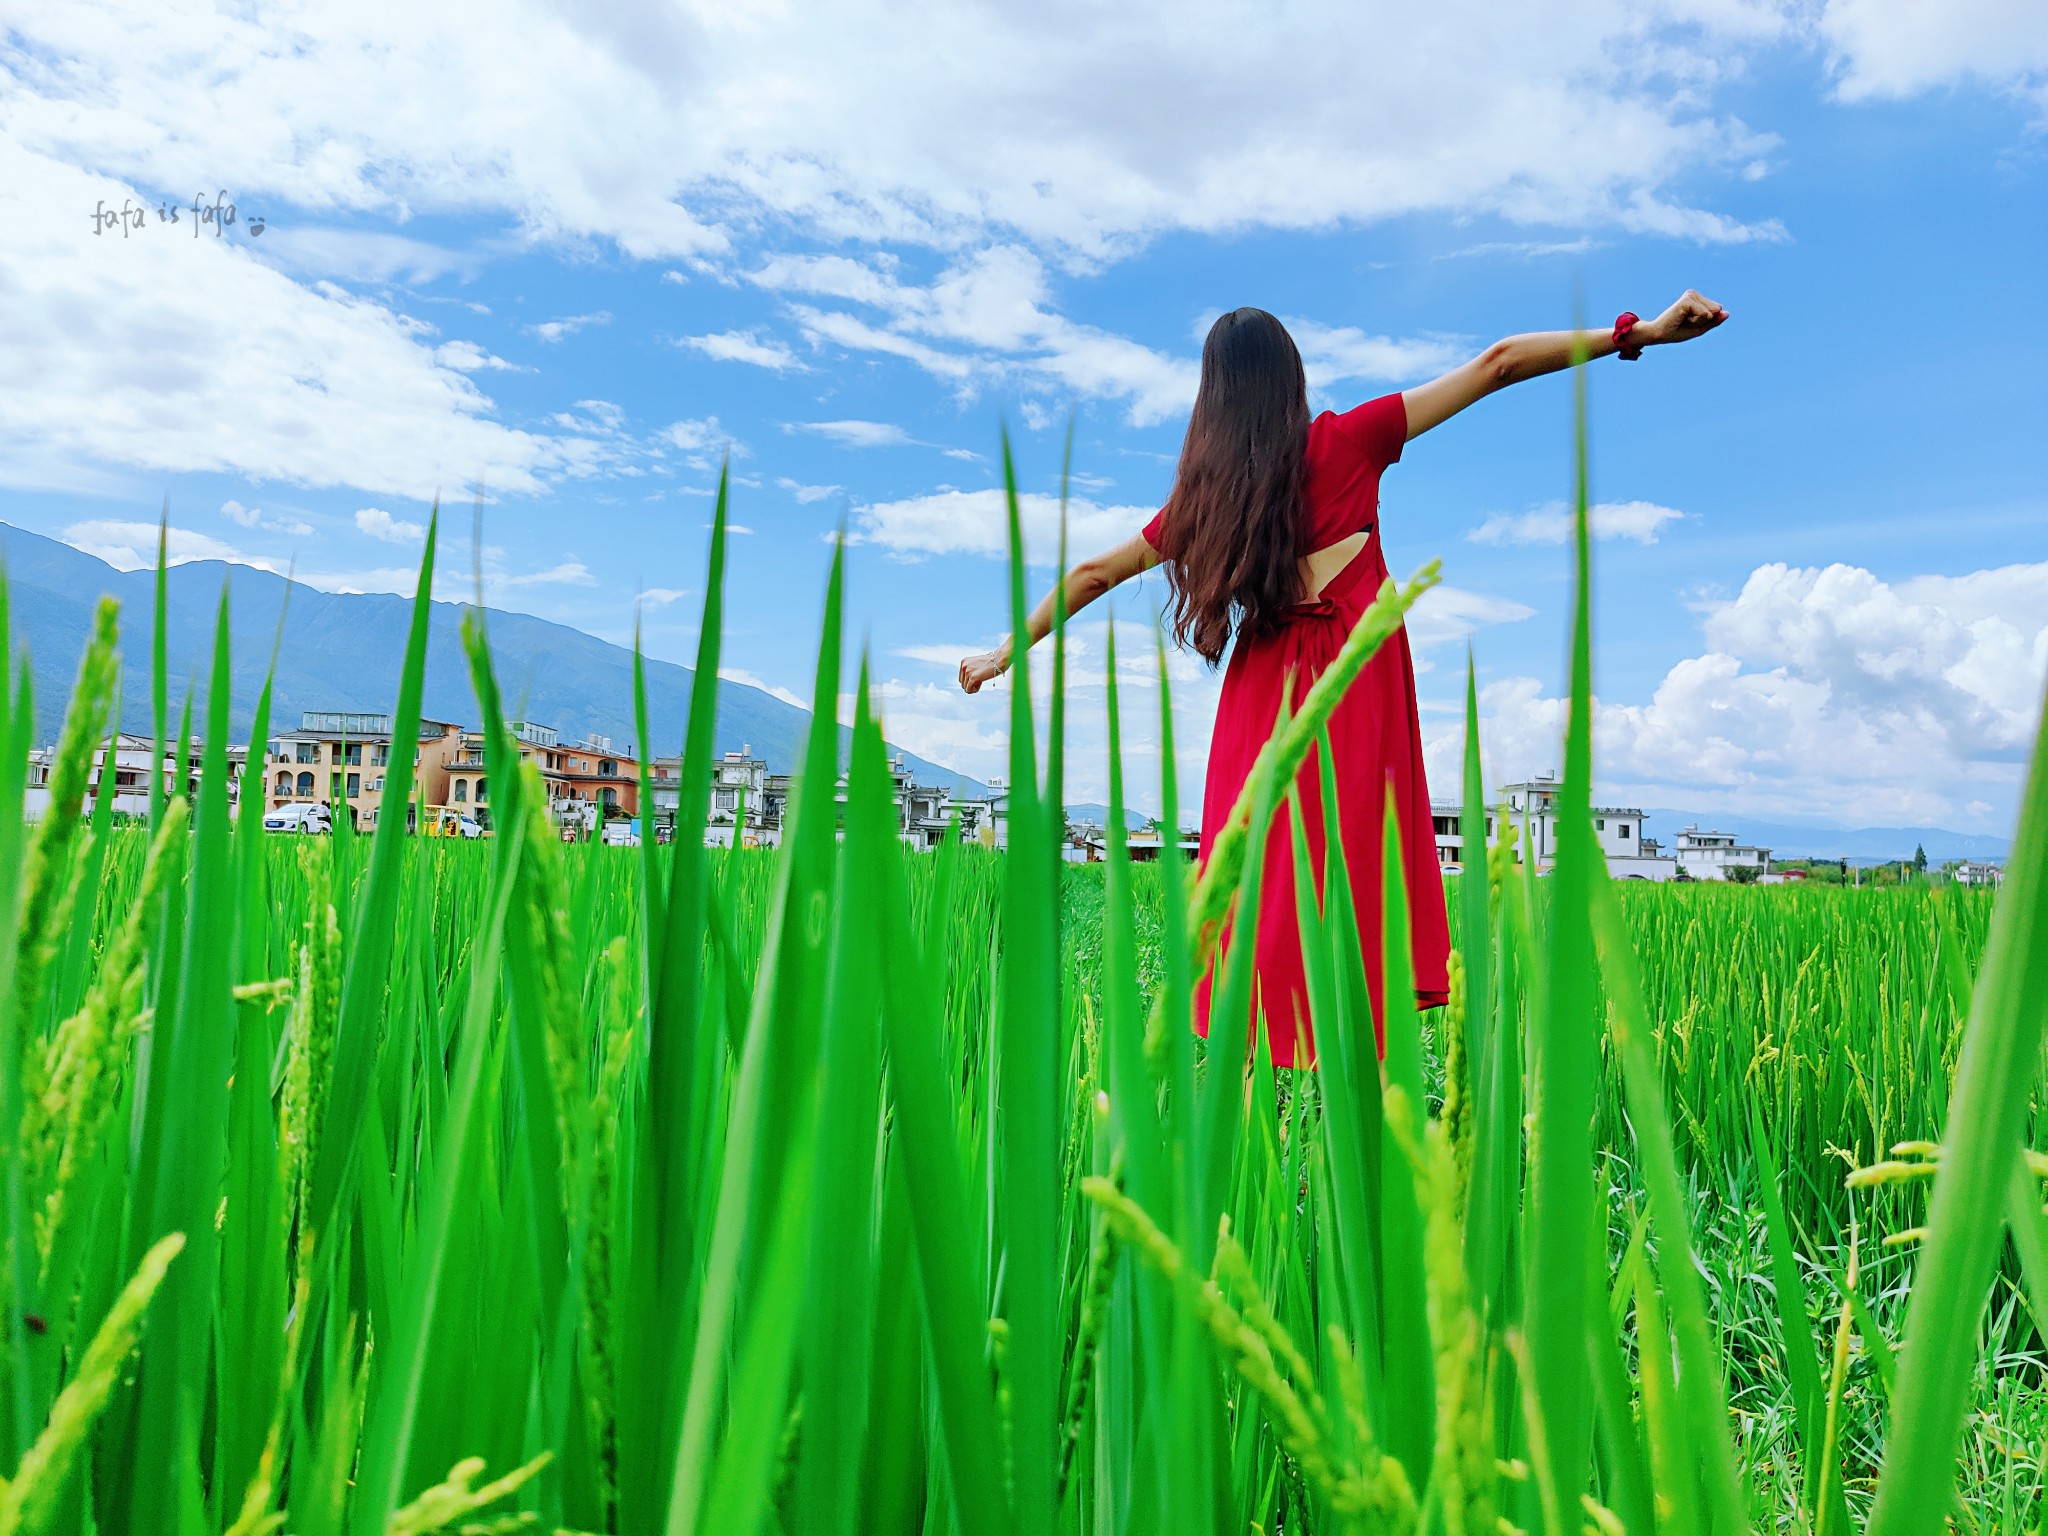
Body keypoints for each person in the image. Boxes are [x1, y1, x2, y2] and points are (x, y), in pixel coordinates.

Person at [959, 294, 1729, 1067]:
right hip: (1355, 682)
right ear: (1289, 378)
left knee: (1256, 871)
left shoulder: (1206, 503)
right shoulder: (1350, 442)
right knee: (1359, 854)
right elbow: (1496, 365)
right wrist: (1637, 336)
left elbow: (1094, 573)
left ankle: (1254, 1048)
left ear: (1212, 401)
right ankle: (1348, 1040)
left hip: (1262, 696)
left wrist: (1003, 653)